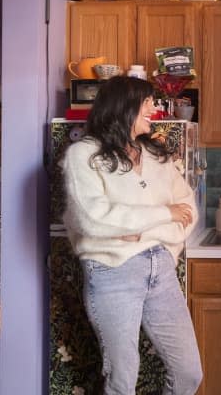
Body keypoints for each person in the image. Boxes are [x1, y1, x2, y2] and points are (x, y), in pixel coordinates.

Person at [61, 76, 202, 395]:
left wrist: (153, 240)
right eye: (147, 102)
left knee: (188, 372)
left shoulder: (155, 155)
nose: (154, 107)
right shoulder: (83, 155)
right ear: (124, 107)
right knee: (122, 378)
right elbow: (93, 219)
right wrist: (163, 215)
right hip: (113, 274)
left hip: (161, 269)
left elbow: (187, 207)